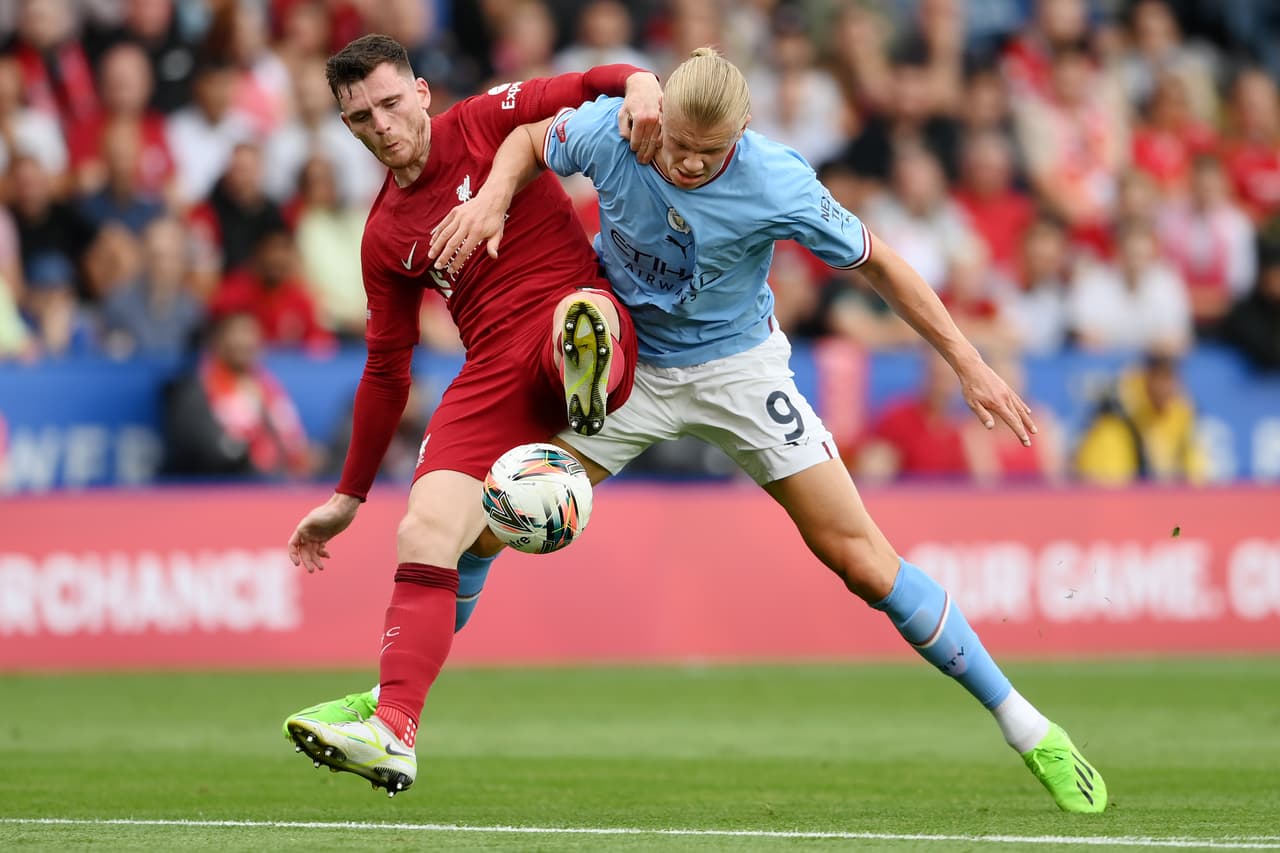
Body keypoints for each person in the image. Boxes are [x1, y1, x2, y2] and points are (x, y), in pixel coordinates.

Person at [303, 48, 1108, 813]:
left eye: (709, 153)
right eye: (678, 148)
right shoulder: (622, 131)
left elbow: (880, 264)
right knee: (480, 529)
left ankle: (1028, 727)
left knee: (860, 560)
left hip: (738, 369)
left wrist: (969, 364)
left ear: (742, 137)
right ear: (660, 122)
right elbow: (529, 138)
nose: (687, 165)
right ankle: (396, 701)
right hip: (632, 359)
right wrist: (491, 199)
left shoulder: (778, 181)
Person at [279, 34, 661, 796]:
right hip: (491, 370)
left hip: (565, 308)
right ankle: (394, 730)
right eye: (360, 118)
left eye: (390, 103)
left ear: (421, 93)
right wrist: (347, 495)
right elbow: (387, 371)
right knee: (423, 530)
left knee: (580, 316)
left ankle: (586, 368)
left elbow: (587, 81)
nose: (381, 125)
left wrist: (643, 84)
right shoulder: (384, 235)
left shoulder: (484, 123)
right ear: (346, 127)